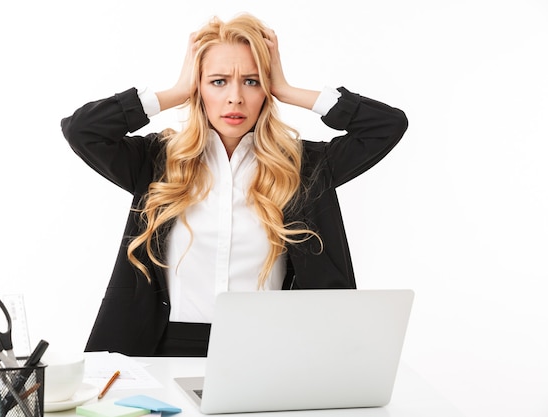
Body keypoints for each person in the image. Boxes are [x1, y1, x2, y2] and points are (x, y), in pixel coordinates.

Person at [60, 13, 408, 357]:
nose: (235, 98)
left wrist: (286, 89)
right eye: (218, 81)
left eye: (252, 81)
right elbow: (82, 131)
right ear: (199, 88)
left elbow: (387, 125)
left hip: (273, 354)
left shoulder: (303, 167)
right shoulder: (156, 162)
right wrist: (174, 92)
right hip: (164, 352)